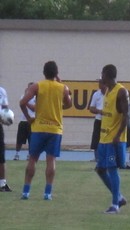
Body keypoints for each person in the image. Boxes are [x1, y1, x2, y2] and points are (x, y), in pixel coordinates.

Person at [19, 61, 72, 200]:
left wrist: (28, 118)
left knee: (32, 159)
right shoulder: (63, 88)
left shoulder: (37, 86)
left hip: (39, 128)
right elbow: (69, 104)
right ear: (56, 73)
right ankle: (47, 193)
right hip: (55, 129)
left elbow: (22, 102)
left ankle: (26, 191)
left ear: (44, 72)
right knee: (51, 160)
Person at [95, 64, 128, 214]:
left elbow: (126, 116)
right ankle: (119, 197)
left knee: (112, 169)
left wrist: (118, 135)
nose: (100, 78)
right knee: (100, 169)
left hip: (114, 139)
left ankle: (115, 205)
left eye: (102, 75)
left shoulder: (121, 92)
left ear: (106, 75)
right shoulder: (107, 90)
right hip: (103, 138)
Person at [14, 82, 36, 161]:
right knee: (19, 140)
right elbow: (22, 105)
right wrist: (25, 100)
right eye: (29, 88)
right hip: (23, 121)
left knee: (32, 140)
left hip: (33, 121)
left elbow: (33, 108)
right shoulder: (23, 96)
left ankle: (29, 155)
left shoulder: (37, 98)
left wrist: (25, 102)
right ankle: (17, 154)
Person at [89, 79, 106, 162]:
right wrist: (99, 111)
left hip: (108, 121)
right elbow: (91, 108)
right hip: (98, 119)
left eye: (101, 82)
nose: (99, 84)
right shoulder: (96, 94)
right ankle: (97, 158)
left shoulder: (110, 94)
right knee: (96, 139)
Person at [0, 86, 12, 192]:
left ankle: (2, 184)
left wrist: (6, 118)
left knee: (1, 155)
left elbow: (5, 109)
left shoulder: (2, 91)